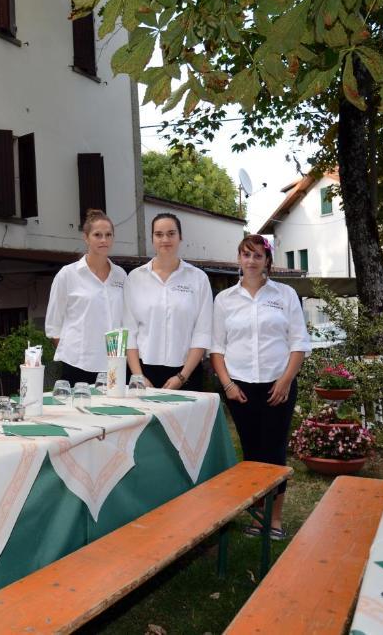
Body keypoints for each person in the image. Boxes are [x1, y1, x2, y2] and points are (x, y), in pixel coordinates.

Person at [210, 234, 310, 539]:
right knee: (252, 454)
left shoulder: (285, 295)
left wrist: (285, 380)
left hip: (278, 385)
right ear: (239, 259)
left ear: (267, 260)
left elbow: (299, 343)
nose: (251, 261)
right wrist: (227, 384)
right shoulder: (224, 300)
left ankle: (275, 520)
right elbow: (217, 348)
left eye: (257, 256)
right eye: (245, 255)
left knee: (275, 451)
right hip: (239, 388)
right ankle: (257, 518)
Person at [124, 213, 212, 391]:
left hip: (186, 373)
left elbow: (203, 332)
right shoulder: (134, 278)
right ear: (152, 239)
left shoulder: (198, 279)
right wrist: (138, 376)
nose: (165, 239)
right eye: (159, 234)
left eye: (171, 233)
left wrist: (182, 376)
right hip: (142, 373)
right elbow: (129, 331)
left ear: (180, 237)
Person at [45, 209, 126, 385]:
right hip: (78, 365)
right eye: (97, 235)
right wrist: (74, 354)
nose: (104, 240)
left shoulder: (121, 275)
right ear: (86, 237)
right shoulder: (68, 274)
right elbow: (53, 324)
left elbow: (124, 320)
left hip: (114, 364)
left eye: (108, 235)